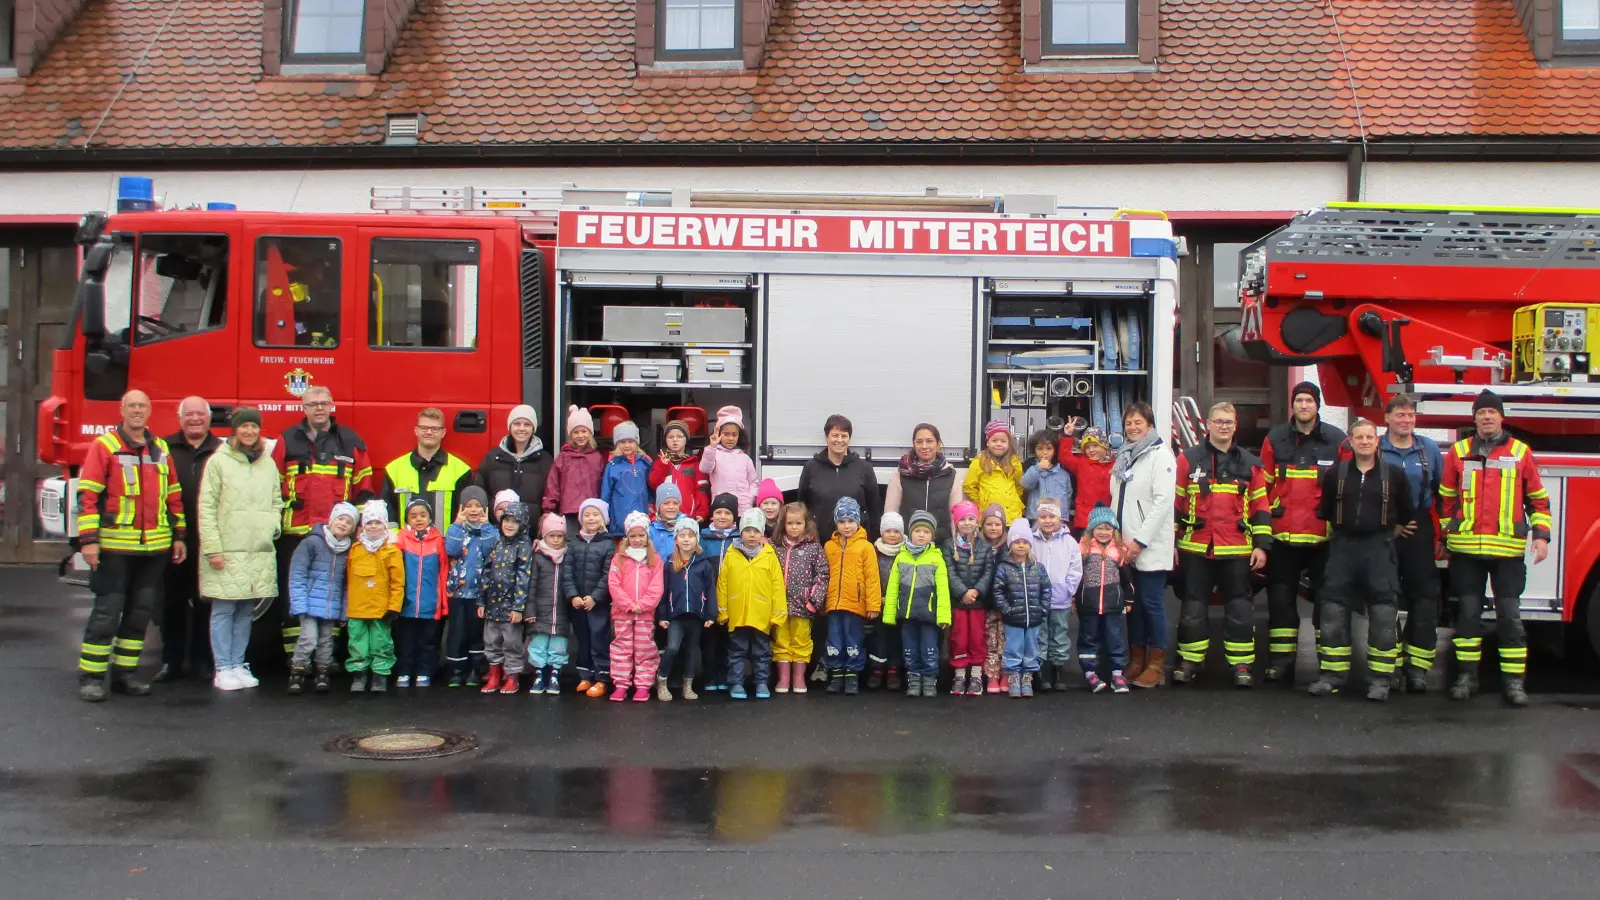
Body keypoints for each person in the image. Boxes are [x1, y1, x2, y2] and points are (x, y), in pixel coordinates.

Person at [1439, 389, 1552, 707]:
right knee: (1468, 618)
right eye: (1481, 412)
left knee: (1510, 620)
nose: (1486, 417)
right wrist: (1446, 536)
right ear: (1473, 418)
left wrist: (1541, 537)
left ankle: (1514, 684)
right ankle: (1466, 678)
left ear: (1502, 417)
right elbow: (1446, 499)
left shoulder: (1520, 451)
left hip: (1507, 554)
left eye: (1492, 412)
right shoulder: (1459, 452)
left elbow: (1538, 501)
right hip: (1467, 552)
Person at [75, 390, 187, 702]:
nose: (137, 411)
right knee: (106, 614)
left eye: (142, 406)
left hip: (154, 549)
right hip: (115, 548)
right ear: (122, 410)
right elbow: (87, 496)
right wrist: (89, 542)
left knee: (139, 615)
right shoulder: (105, 446)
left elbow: (173, 496)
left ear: (149, 410)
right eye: (131, 406)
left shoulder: (161, 449)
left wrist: (179, 536)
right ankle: (92, 678)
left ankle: (125, 674)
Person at [1307, 419, 1414, 702]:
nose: (1365, 441)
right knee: (1332, 611)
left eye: (1370, 437)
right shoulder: (1335, 474)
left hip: (1379, 548)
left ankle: (1381, 679)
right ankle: (1332, 675)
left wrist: (1392, 529)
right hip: (1343, 547)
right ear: (1351, 442)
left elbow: (1406, 511)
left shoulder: (1394, 476)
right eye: (1359, 437)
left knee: (1382, 613)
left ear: (1377, 441)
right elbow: (1326, 509)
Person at [272, 386, 375, 662]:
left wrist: (361, 528)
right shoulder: (287, 439)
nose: (318, 408)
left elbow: (363, 486)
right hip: (297, 533)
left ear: (332, 405)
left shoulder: (350, 440)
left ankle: (327, 660)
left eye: (323, 403)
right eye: (312, 404)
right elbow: (274, 484)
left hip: (338, 537)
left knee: (335, 594)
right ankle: (296, 660)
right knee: (295, 594)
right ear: (302, 407)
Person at [1172, 402, 1271, 688]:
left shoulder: (1252, 464)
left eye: (1229, 422)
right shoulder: (1188, 460)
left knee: (1240, 609)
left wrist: (1261, 546)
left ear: (1236, 425)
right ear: (1209, 424)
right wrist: (1174, 544)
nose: (1224, 426)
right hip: (1196, 547)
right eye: (1219, 421)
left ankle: (1241, 664)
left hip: (1238, 549)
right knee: (1193, 608)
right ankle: (1189, 661)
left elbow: (1260, 508)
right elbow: (1176, 505)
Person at [1259, 381, 1349, 683]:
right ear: (1293, 405)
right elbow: (1263, 488)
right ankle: (1282, 661)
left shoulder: (1337, 440)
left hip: (1323, 540)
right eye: (1299, 400)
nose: (1304, 406)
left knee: (1327, 603)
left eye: (1309, 400)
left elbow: (1345, 490)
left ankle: (1329, 663)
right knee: (1280, 601)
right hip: (1283, 537)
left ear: (1317, 405)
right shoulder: (1275, 440)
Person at [196, 406, 283, 692]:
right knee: (223, 608)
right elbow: (206, 508)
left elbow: (276, 501)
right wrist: (213, 549)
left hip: (256, 549)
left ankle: (237, 663)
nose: (249, 431)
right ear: (235, 430)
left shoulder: (267, 464)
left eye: (254, 427)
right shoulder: (218, 462)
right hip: (227, 548)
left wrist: (273, 527)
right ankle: (223, 667)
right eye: (244, 426)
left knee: (246, 609)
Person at [1109, 401, 1177, 689]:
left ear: (1150, 425)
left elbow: (1162, 503)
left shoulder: (1161, 456)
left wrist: (1139, 541)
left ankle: (1157, 664)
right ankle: (1136, 659)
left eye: (1139, 422)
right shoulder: (1125, 456)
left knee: (1151, 604)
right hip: (1124, 546)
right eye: (1129, 422)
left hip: (1147, 546)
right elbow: (1117, 498)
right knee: (1132, 606)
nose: (1133, 427)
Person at [1379, 394, 1445, 692]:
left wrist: (1445, 534)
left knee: (1424, 597)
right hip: (1385, 531)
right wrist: (1391, 526)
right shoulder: (1376, 448)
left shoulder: (1428, 449)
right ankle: (1388, 666)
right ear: (1387, 419)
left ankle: (1417, 667)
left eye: (1410, 415)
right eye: (1400, 415)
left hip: (1420, 531)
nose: (1406, 420)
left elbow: (1444, 494)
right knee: (1386, 598)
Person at [156, 395, 220, 683]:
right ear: (180, 418)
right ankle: (171, 662)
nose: (195, 419)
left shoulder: (222, 451)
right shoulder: (163, 448)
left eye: (200, 414)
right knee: (172, 603)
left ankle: (203, 661)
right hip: (176, 539)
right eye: (189, 414)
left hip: (211, 540)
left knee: (207, 602)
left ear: (209, 418)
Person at [716, 508, 787, 699]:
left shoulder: (769, 555)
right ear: (741, 532)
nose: (752, 535)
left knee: (762, 652)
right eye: (747, 530)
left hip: (761, 614)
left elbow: (777, 586)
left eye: (756, 530)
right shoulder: (732, 554)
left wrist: (778, 612)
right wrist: (723, 611)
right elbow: (723, 584)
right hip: (737, 613)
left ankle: (762, 683)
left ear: (762, 533)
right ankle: (737, 683)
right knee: (736, 651)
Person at [287, 502, 356, 695]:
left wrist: (344, 612)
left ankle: (322, 672)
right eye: (340, 518)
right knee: (308, 638)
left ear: (352, 529)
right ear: (331, 519)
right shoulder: (312, 542)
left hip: (330, 606)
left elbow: (346, 586)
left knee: (327, 641)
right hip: (309, 604)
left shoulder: (349, 550)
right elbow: (297, 574)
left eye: (348, 522)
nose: (343, 524)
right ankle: (298, 670)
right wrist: (298, 603)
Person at [882, 510, 952, 699]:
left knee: (929, 649)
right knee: (909, 648)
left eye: (926, 532)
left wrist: (944, 616)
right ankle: (913, 678)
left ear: (932, 536)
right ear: (910, 533)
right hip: (907, 615)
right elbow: (892, 587)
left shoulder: (936, 558)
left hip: (929, 616)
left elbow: (943, 590)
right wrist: (889, 614)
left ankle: (929, 679)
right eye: (918, 531)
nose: (921, 535)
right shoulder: (902, 557)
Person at [822, 497, 881, 696]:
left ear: (858, 522)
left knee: (853, 639)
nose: (847, 526)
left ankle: (852, 675)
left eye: (851, 521)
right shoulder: (829, 546)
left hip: (855, 604)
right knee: (834, 640)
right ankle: (837, 674)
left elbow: (872, 577)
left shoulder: (866, 547)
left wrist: (873, 605)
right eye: (842, 521)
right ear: (836, 523)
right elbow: (823, 575)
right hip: (833, 604)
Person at [379, 407, 475, 528]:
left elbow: (466, 515)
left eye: (435, 428)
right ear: (416, 430)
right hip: (405, 545)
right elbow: (387, 514)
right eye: (424, 428)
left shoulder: (461, 470)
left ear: (443, 432)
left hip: (445, 545)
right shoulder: (394, 469)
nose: (429, 432)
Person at [477, 501, 534, 696]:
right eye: (506, 521)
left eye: (514, 522)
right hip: (492, 604)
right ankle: (494, 674)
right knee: (491, 641)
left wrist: (518, 608)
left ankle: (512, 676)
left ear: (523, 524)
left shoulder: (523, 546)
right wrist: (481, 601)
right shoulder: (497, 543)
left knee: (511, 643)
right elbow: (486, 572)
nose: (509, 525)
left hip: (510, 606)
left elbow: (523, 577)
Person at [347, 500, 404, 693]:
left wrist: (394, 606)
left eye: (378, 523)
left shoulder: (391, 551)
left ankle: (380, 676)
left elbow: (398, 582)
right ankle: (359, 675)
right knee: (357, 644)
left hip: (381, 608)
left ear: (385, 525)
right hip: (357, 607)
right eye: (369, 522)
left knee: (381, 643)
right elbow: (348, 580)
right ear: (363, 525)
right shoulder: (355, 549)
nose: (373, 527)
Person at [443, 486, 497, 688]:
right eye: (468, 506)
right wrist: (457, 524)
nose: (473, 510)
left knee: (477, 633)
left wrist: (485, 527)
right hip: (457, 592)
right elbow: (452, 549)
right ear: (461, 509)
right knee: (457, 632)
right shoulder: (455, 530)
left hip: (479, 593)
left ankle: (476, 670)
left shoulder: (489, 531)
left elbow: (490, 548)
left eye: (478, 506)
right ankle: (457, 670)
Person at [608, 511, 665, 703]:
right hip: (622, 613)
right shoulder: (619, 558)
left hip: (645, 614)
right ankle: (621, 685)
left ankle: (642, 685)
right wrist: (628, 605)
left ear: (647, 536)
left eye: (641, 535)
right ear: (627, 537)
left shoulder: (655, 559)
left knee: (644, 649)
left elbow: (657, 586)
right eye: (633, 535)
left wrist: (643, 605)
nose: (637, 539)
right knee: (622, 649)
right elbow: (614, 584)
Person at [657, 517, 715, 701]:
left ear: (697, 539)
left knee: (692, 649)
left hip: (696, 616)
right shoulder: (669, 564)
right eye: (682, 535)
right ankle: (662, 680)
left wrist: (710, 613)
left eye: (691, 536)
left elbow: (710, 590)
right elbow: (664, 591)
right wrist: (662, 614)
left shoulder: (704, 563)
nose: (686, 539)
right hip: (676, 616)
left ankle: (687, 686)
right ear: (676, 539)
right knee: (672, 647)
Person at [799, 415, 883, 544]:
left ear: (849, 439)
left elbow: (874, 508)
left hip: (856, 546)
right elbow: (803, 506)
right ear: (826, 437)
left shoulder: (864, 468)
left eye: (844, 436)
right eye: (835, 435)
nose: (839, 440)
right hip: (819, 543)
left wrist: (874, 541)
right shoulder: (811, 468)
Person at [393, 498, 449, 688]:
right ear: (407, 519)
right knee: (406, 641)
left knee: (428, 642)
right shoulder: (400, 540)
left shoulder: (438, 541)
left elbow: (443, 573)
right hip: (406, 603)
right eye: (413, 516)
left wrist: (443, 604)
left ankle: (425, 671)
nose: (418, 519)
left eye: (423, 515)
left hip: (430, 604)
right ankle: (405, 671)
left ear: (430, 518)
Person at [773, 502, 828, 694]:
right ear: (783, 524)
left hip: (803, 606)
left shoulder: (813, 548)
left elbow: (822, 576)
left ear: (806, 524)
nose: (794, 527)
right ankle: (783, 677)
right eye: (790, 523)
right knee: (781, 640)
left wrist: (813, 601)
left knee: (801, 640)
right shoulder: (774, 546)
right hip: (778, 605)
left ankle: (798, 677)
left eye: (798, 523)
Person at [993, 518, 1051, 699]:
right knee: (1013, 649)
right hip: (1013, 619)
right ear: (1010, 545)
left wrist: (1042, 609)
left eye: (1025, 542)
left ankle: (1027, 678)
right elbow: (998, 591)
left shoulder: (1038, 568)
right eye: (1017, 542)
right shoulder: (1004, 567)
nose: (1021, 546)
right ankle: (1014, 678)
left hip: (1033, 618)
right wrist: (1007, 610)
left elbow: (1046, 589)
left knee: (1031, 649)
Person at [943, 500, 995, 696]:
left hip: (977, 604)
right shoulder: (949, 545)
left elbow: (988, 571)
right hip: (958, 602)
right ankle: (958, 675)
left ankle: (975, 675)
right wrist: (962, 592)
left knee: (977, 637)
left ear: (977, 521)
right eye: (962, 519)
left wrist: (976, 592)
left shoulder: (984, 546)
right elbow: (949, 570)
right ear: (956, 522)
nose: (967, 523)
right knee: (958, 638)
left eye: (971, 518)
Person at [1029, 497, 1082, 691]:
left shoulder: (1069, 542)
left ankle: (1058, 672)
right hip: (1038, 598)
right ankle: (1041, 673)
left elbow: (1076, 568)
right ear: (1037, 518)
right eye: (1043, 516)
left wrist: (1069, 589)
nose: (1047, 520)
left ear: (1060, 519)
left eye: (1052, 516)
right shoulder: (1031, 540)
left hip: (1061, 599)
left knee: (1059, 634)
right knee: (1040, 635)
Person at [563, 498, 614, 697]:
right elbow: (567, 572)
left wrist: (595, 597)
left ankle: (602, 678)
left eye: (595, 514)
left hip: (597, 603)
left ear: (603, 518)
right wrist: (573, 595)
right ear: (581, 519)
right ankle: (585, 675)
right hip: (577, 603)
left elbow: (607, 573)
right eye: (587, 514)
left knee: (598, 638)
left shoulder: (608, 543)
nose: (591, 518)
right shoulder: (574, 542)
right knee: (582, 639)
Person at [1078, 504, 1130, 694]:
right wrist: (1075, 600)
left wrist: (1129, 600)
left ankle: (1117, 674)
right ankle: (1090, 672)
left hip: (1112, 604)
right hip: (1089, 604)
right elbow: (1077, 577)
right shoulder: (1083, 548)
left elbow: (1127, 579)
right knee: (1089, 638)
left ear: (1114, 530)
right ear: (1092, 529)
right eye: (1100, 528)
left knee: (1115, 638)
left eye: (1108, 528)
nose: (1104, 532)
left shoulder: (1120, 550)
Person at [885, 423, 963, 544]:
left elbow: (956, 517)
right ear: (914, 444)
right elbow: (891, 513)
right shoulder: (900, 474)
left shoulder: (951, 475)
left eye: (929, 441)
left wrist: (957, 545)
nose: (924, 446)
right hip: (908, 545)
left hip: (941, 544)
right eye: (919, 442)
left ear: (938, 444)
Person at [477, 404, 553, 524]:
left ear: (533, 428)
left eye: (527, 424)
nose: (521, 428)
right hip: (496, 529)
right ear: (510, 426)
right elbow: (480, 490)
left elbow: (551, 496)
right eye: (517, 423)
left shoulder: (545, 460)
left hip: (530, 531)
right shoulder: (493, 457)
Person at [699, 493, 742, 691]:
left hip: (731, 597)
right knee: (709, 638)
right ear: (711, 515)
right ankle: (710, 676)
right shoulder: (704, 537)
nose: (722, 516)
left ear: (735, 516)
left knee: (728, 639)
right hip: (708, 596)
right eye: (718, 512)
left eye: (727, 513)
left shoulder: (739, 538)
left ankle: (725, 676)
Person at [526, 512, 572, 696]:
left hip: (560, 611)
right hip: (540, 611)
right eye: (551, 536)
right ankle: (539, 674)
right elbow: (531, 585)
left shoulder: (567, 555)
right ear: (544, 536)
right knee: (538, 643)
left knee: (558, 645)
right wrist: (529, 609)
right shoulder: (537, 556)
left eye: (559, 536)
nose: (555, 540)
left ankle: (554, 674)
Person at [543, 406, 607, 535]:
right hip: (569, 512)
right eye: (576, 432)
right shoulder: (564, 457)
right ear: (570, 435)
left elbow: (603, 485)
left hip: (592, 512)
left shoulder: (597, 457)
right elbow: (553, 484)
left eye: (584, 431)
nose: (580, 436)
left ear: (590, 433)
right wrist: (548, 509)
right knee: (571, 543)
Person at [867, 512, 907, 691]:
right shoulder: (874, 551)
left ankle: (893, 670)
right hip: (879, 603)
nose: (892, 535)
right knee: (878, 637)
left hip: (898, 605)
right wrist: (877, 599)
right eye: (888, 531)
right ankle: (877, 669)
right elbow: (870, 577)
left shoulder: (907, 551)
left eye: (896, 531)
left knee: (896, 637)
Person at [649, 419, 710, 522]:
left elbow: (702, 490)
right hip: (665, 519)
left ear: (686, 439)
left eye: (680, 436)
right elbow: (653, 484)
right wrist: (662, 466)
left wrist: (702, 512)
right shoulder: (660, 462)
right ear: (665, 440)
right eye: (670, 437)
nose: (675, 440)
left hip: (688, 519)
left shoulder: (695, 464)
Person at [700, 405, 759, 513]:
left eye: (734, 435)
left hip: (743, 509)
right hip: (721, 509)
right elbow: (705, 468)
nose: (730, 438)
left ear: (739, 436)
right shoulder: (713, 453)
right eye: (726, 434)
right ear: (718, 434)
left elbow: (754, 482)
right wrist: (712, 446)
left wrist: (749, 499)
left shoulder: (745, 458)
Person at [964, 420, 1024, 524]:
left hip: (1012, 515)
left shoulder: (1015, 463)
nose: (999, 444)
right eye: (994, 441)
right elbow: (969, 486)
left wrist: (1015, 501)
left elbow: (1019, 486)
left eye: (1003, 441)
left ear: (1009, 443)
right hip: (989, 516)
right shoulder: (979, 462)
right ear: (988, 442)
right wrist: (980, 504)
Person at [601, 421, 652, 537]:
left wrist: (651, 505)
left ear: (636, 442)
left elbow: (651, 487)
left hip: (642, 516)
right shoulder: (612, 466)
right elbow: (605, 494)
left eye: (631, 441)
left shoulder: (645, 463)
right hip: (620, 519)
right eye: (623, 442)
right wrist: (605, 516)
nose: (627, 445)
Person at [1061, 425, 1115, 536]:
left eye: (1095, 445)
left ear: (1104, 446)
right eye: (1087, 447)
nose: (1091, 450)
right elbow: (1064, 457)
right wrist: (1067, 436)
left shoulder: (1115, 465)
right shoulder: (1081, 463)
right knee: (1084, 551)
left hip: (1107, 518)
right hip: (1084, 520)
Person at [979, 504, 1010, 694]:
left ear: (1004, 526)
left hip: (1006, 605)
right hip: (987, 604)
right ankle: (991, 675)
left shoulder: (1010, 547)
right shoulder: (979, 547)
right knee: (990, 641)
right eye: (989, 524)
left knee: (1006, 640)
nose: (993, 528)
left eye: (997, 524)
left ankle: (1006, 673)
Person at [1021, 430, 1073, 522]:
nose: (1044, 452)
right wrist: (1038, 468)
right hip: (1036, 518)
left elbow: (1067, 497)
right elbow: (1025, 484)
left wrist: (1064, 517)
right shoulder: (1032, 468)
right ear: (1034, 450)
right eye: (1040, 449)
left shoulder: (1063, 474)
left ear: (1055, 450)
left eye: (1049, 448)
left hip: (1058, 518)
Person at [648, 482, 686, 558]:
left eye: (675, 503)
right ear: (658, 506)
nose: (671, 507)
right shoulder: (650, 530)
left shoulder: (687, 527)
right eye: (666, 503)